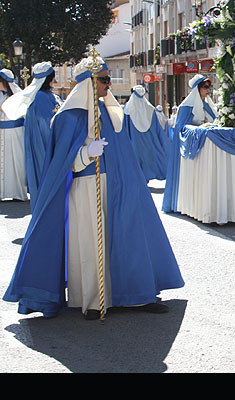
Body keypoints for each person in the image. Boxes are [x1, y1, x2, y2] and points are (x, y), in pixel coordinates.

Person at [3, 54, 184, 320]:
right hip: (88, 187)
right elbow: (62, 163)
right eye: (104, 79)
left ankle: (133, 295)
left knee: (125, 240)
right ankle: (93, 299)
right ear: (88, 82)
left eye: (108, 79)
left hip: (118, 187)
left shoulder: (109, 111)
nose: (109, 84)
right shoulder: (68, 115)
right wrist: (86, 152)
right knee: (91, 244)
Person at [2, 62, 63, 206]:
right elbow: (47, 124)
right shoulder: (41, 97)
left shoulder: (50, 96)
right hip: (45, 145)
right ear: (50, 79)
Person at [162, 74, 217, 213]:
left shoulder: (207, 104)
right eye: (205, 87)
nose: (208, 90)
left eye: (209, 87)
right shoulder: (187, 106)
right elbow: (182, 129)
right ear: (197, 89)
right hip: (193, 148)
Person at [123, 85, 171, 182]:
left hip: (134, 143)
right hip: (148, 144)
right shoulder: (150, 109)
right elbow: (157, 130)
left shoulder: (128, 109)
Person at [0, 68, 28, 201]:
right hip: (1, 133)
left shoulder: (18, 95)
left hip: (16, 133)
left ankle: (17, 191)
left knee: (16, 162)